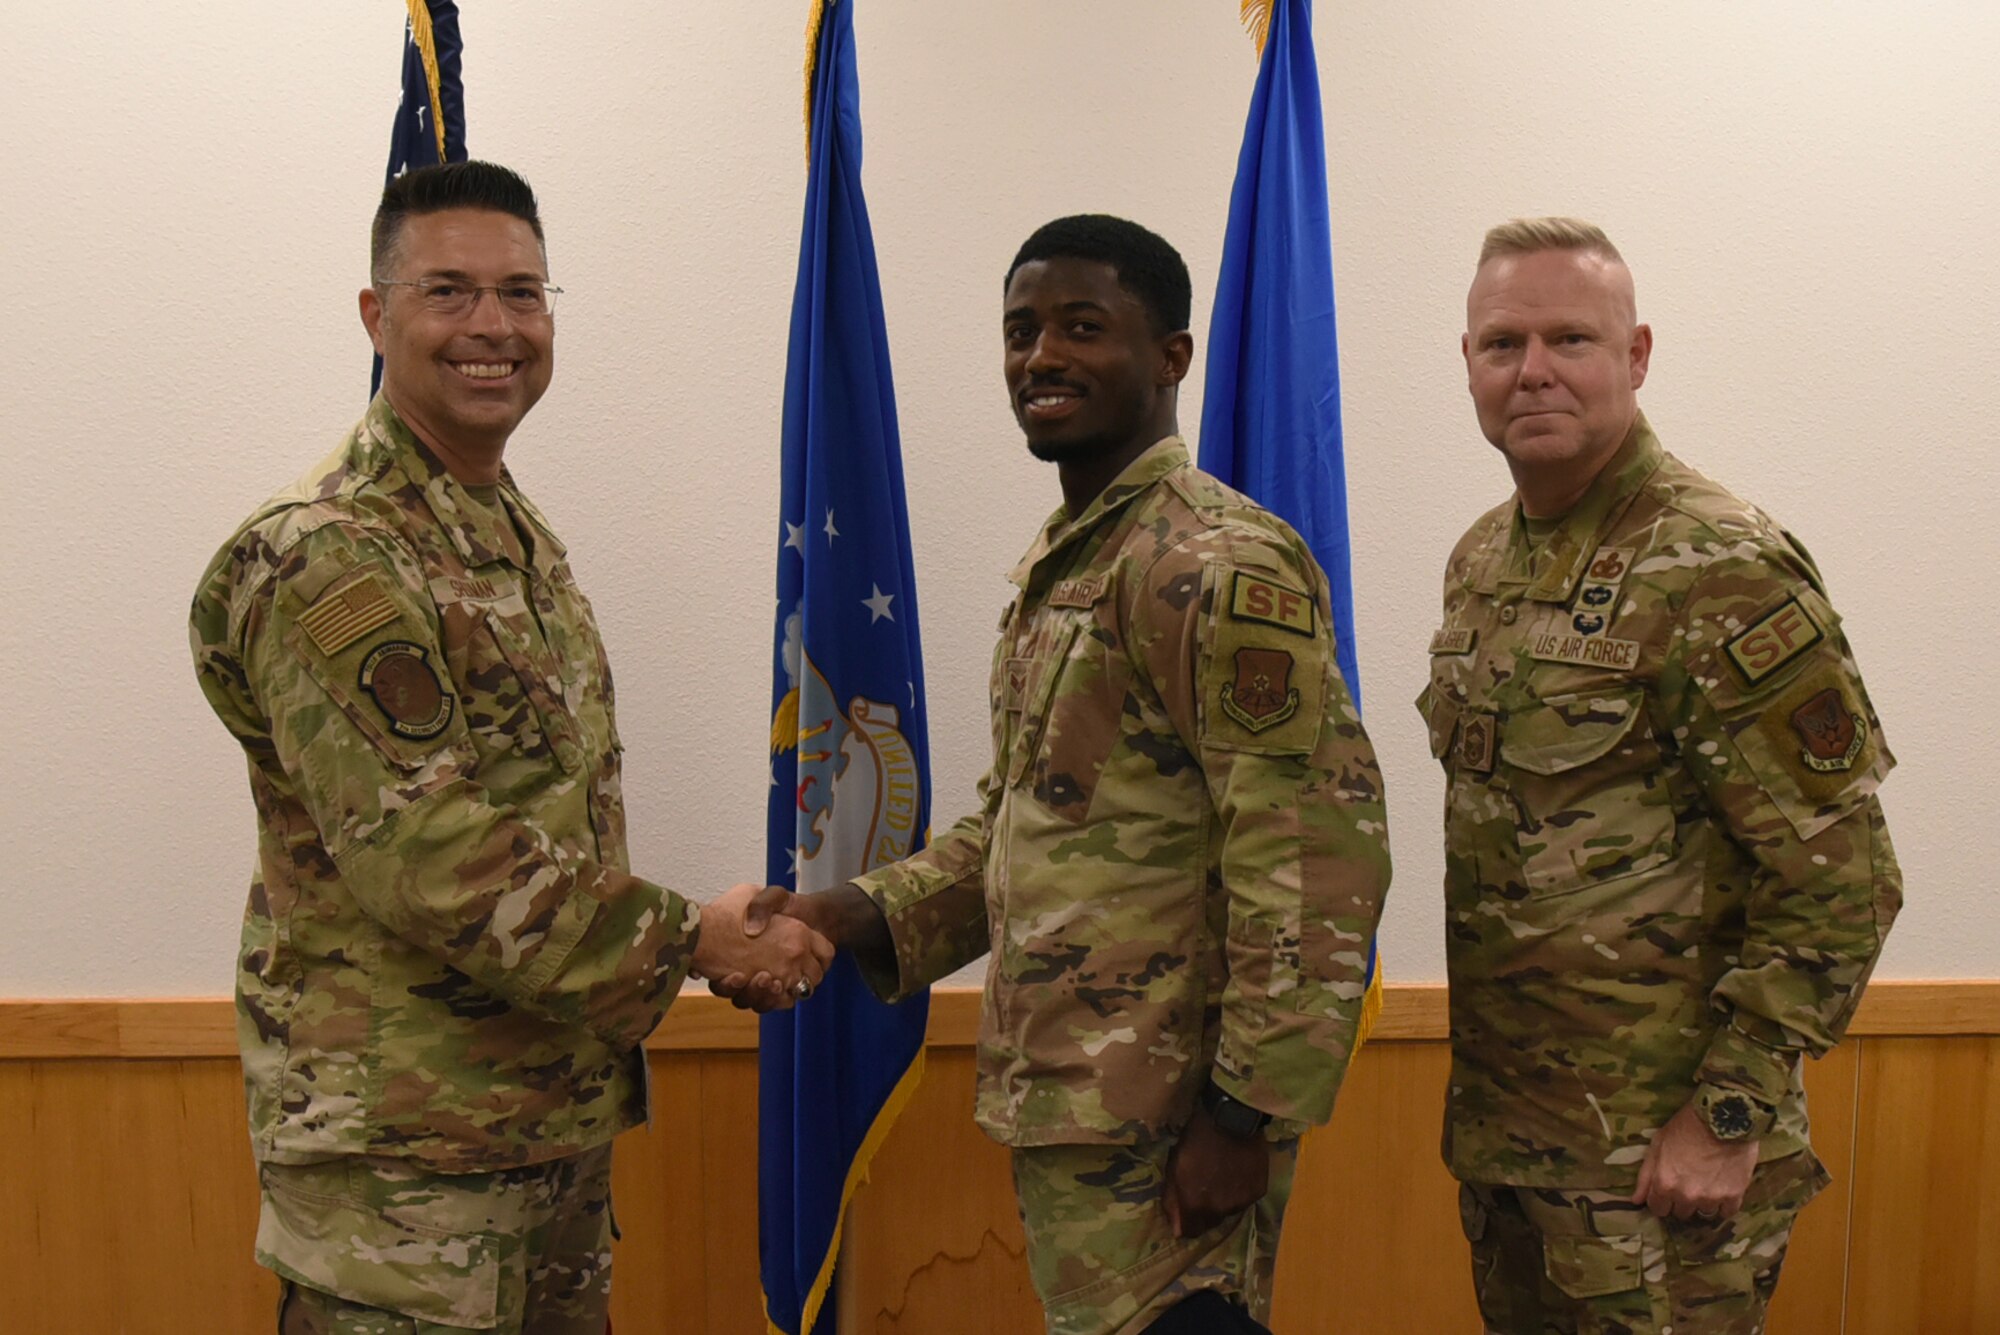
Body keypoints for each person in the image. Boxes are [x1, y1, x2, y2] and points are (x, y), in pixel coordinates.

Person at [189, 160, 832, 1335]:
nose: (493, 325)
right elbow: (428, 854)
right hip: (406, 1182)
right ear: (378, 317)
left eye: (523, 293)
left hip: (542, 1136)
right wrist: (690, 936)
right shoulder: (330, 553)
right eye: (449, 291)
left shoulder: (508, 531)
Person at [722, 215, 1392, 1335]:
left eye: (1083, 328)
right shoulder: (1074, 558)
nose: (1041, 358)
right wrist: (838, 917)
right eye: (1020, 331)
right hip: (1077, 1103)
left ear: (1171, 355)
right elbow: (1023, 825)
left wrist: (1243, 1115)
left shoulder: (1209, 562)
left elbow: (1312, 857)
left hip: (1172, 1115)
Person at [1423, 217, 1901, 1333]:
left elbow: (1843, 876)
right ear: (1467, 364)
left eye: (1568, 340)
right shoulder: (1483, 561)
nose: (1531, 370)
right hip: (1516, 1152)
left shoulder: (1715, 563)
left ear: (1634, 357)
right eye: (1501, 344)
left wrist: (1724, 1115)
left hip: (1659, 1172)